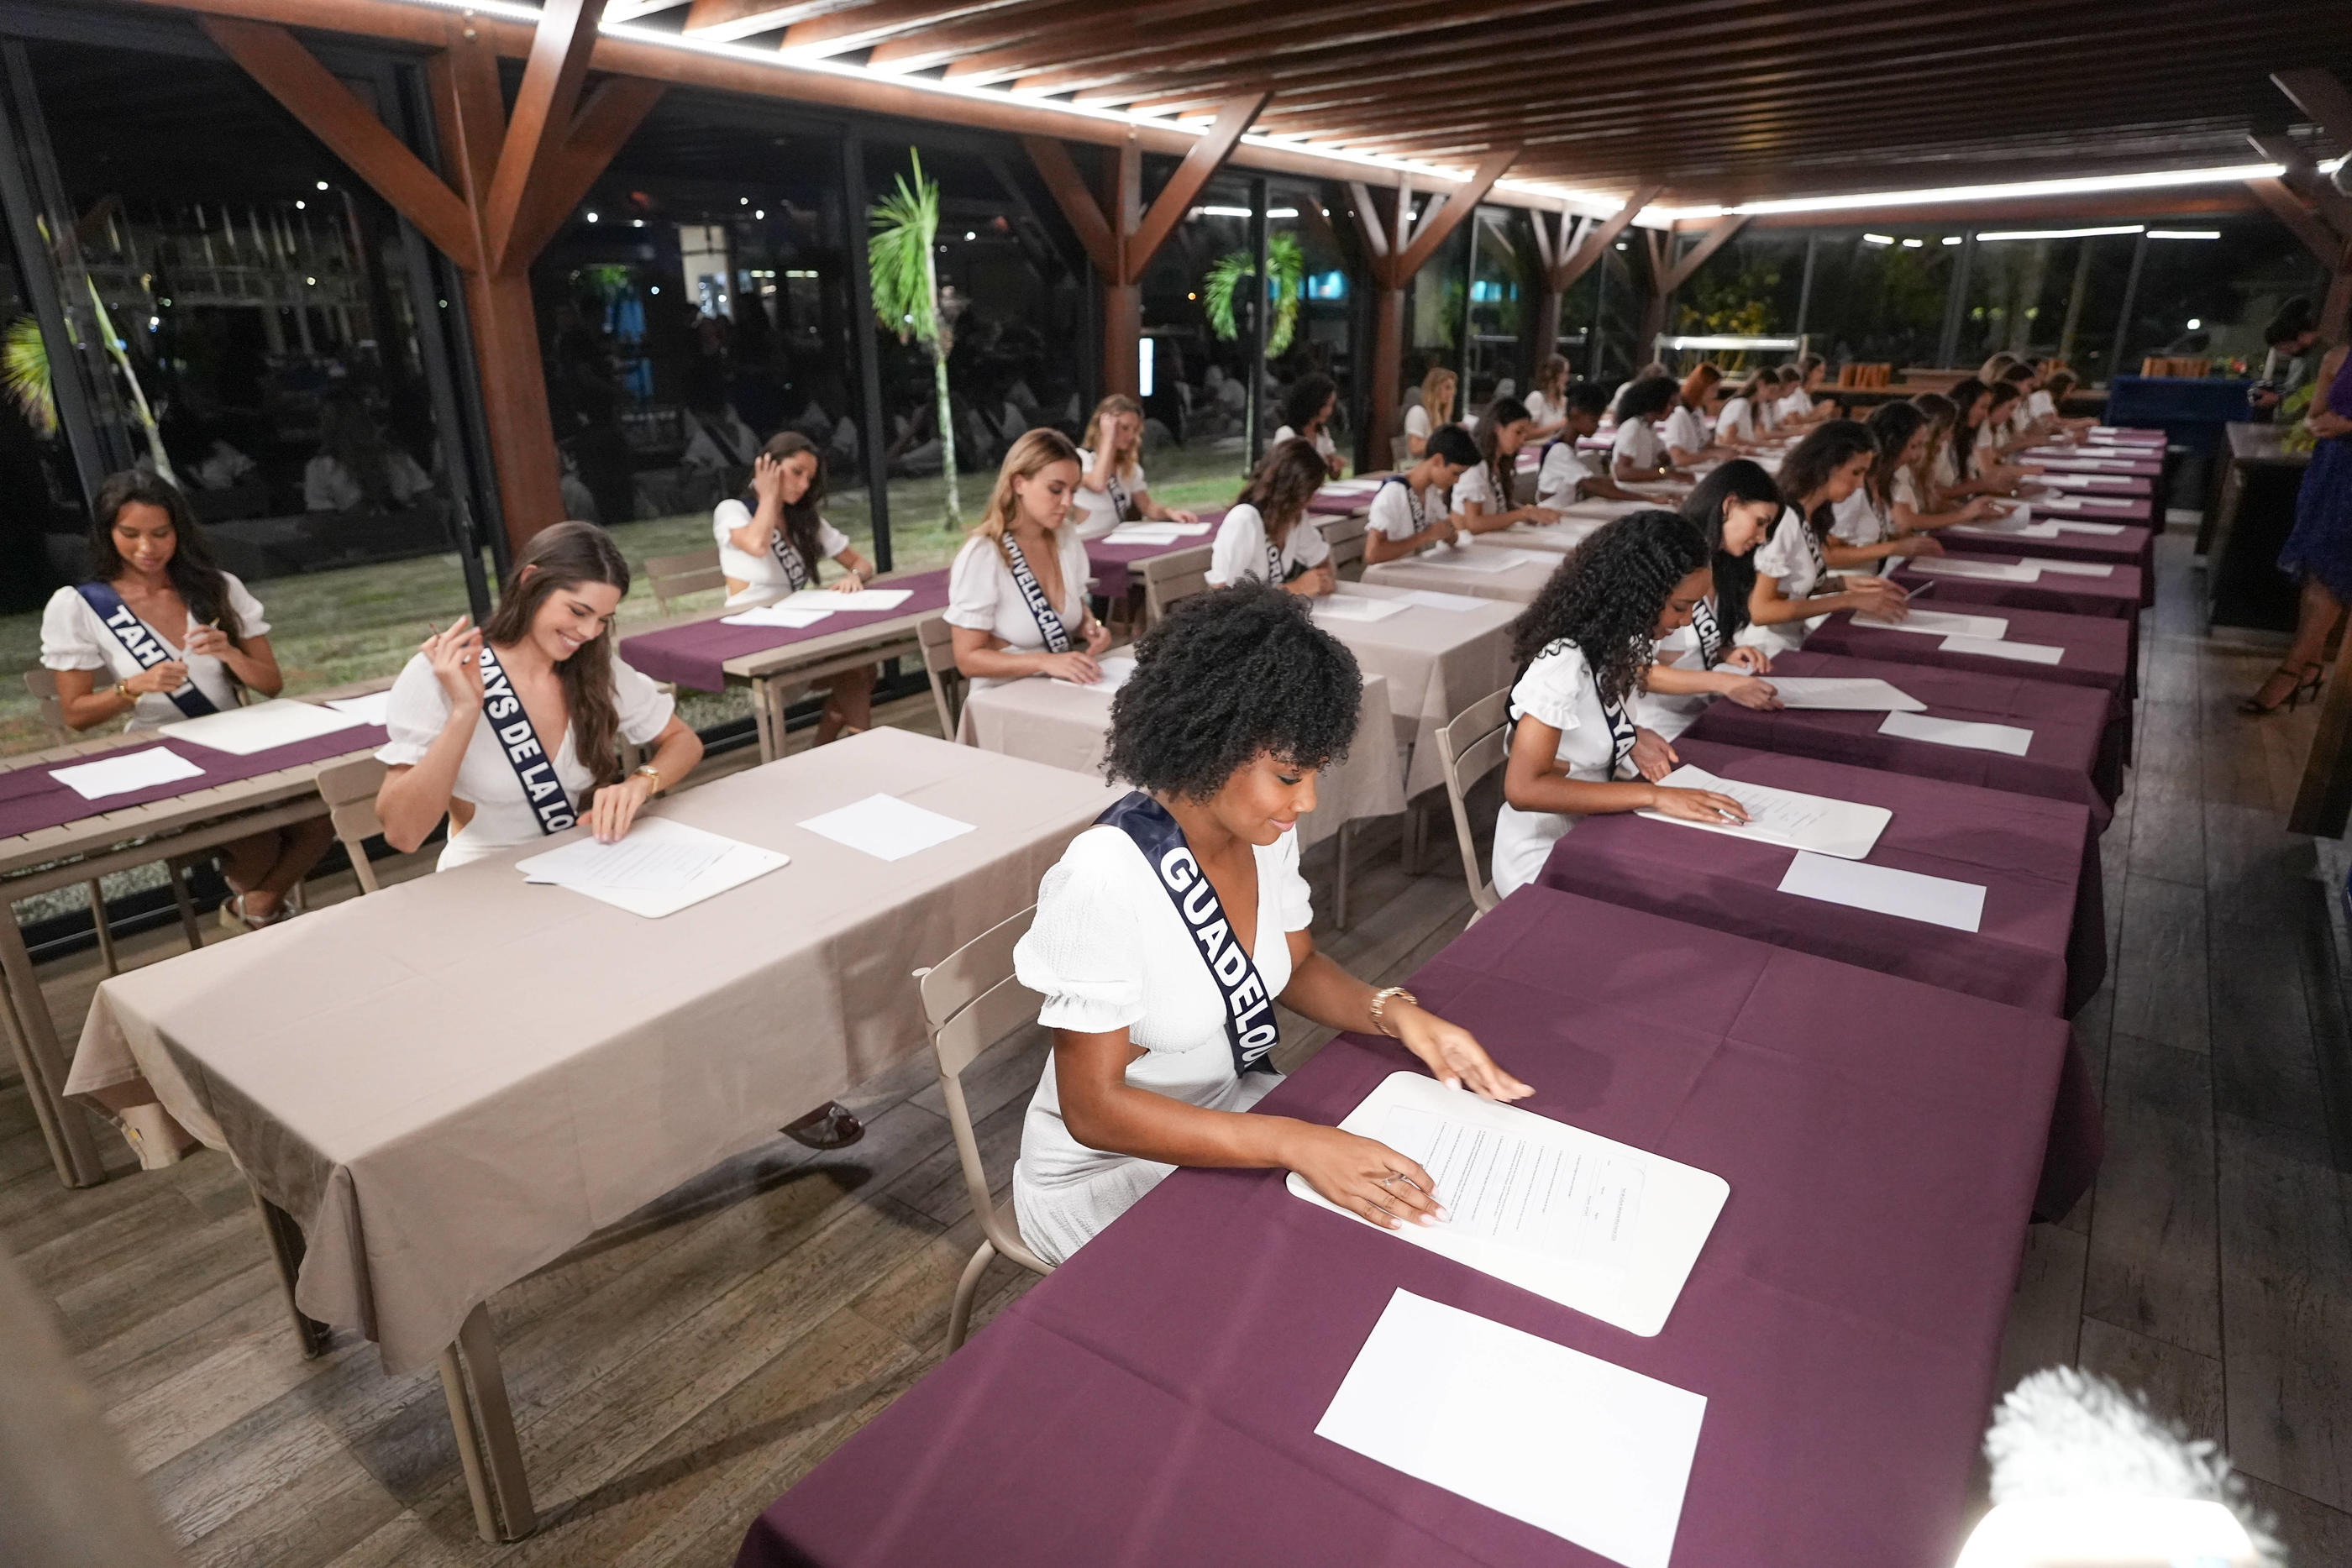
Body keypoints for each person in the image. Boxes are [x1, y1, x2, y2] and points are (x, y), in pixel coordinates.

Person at [1009, 582, 1530, 1264]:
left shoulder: (1262, 833)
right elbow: (1094, 1110)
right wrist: (1294, 1141)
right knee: (1311, 1272)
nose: (1308, 801)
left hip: (1234, 1111)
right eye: (1289, 777)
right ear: (1211, 746)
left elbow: (1298, 966)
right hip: (1102, 1173)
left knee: (1403, 1223)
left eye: (1315, 773)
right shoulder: (1105, 876)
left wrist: (1397, 1013)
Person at [43, 471, 335, 930]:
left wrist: (230, 654)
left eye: (161, 533)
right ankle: (267, 919)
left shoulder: (217, 587)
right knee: (257, 838)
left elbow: (271, 684)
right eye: (131, 534)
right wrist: (131, 688)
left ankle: (255, 910)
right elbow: (75, 715)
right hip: (158, 757)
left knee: (325, 806)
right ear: (107, 534)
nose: (147, 548)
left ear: (179, 530)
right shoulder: (80, 604)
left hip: (238, 744)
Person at [375, 519, 703, 873]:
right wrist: (465, 710)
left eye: (603, 620)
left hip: (575, 865)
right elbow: (403, 834)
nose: (589, 633)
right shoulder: (443, 673)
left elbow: (683, 740)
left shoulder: (593, 668)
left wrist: (641, 783)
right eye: (578, 612)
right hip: (481, 880)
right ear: (531, 581)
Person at [1491, 511, 1754, 898]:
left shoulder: (1621, 640)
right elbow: (1524, 788)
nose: (1685, 622)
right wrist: (1653, 795)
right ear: (1637, 592)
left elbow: (1591, 722)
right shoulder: (1564, 661)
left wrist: (1631, 736)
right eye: (1679, 607)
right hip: (1545, 853)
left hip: (1595, 826)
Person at [714, 431, 879, 742]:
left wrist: (854, 576)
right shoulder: (732, 510)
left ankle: (826, 748)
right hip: (753, 631)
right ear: (768, 467)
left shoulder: (804, 519)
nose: (803, 485)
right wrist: (767, 497)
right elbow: (758, 544)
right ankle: (859, 749)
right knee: (857, 671)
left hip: (798, 626)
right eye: (796, 473)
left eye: (809, 478)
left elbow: (862, 563)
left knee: (863, 667)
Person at [945, 428, 1113, 690]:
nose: (1067, 502)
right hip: (1002, 699)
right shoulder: (984, 553)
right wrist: (1043, 662)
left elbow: (1073, 609)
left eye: (1073, 490)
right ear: (1019, 483)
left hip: (1058, 688)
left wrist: (1090, 625)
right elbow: (967, 659)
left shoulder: (1066, 538)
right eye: (1056, 490)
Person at [1633, 462, 1787, 738]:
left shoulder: (1725, 566)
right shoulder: (1663, 562)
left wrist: (1725, 652)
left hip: (1708, 708)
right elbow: (1638, 671)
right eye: (1760, 522)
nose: (1763, 538)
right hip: (1661, 726)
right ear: (1729, 506)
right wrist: (1723, 682)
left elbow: (1696, 646)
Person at [1744, 420, 1910, 655]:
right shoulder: (1786, 518)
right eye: (1855, 472)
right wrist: (1847, 599)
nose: (1860, 484)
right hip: (1762, 648)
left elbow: (1791, 585)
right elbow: (1760, 611)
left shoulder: (1813, 514)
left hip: (1789, 640)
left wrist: (1842, 583)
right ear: (1828, 466)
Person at [2249, 341, 2352, 715]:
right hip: (2332, 469)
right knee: (2316, 573)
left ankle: (2292, 670)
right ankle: (2309, 666)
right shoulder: (2337, 357)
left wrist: (2348, 423)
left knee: (2333, 576)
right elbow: (2314, 414)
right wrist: (2320, 424)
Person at [1825, 402, 1951, 568]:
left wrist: (1904, 542)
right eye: (1914, 446)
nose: (1917, 455)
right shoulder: (1854, 490)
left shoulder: (1884, 481)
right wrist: (1894, 547)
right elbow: (1827, 555)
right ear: (1892, 443)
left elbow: (1865, 542)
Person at [1205, 438, 1336, 595]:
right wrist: (1295, 589)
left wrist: (1323, 580)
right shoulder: (1244, 520)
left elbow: (1321, 561)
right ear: (1290, 491)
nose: (1310, 501)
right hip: (1245, 618)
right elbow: (1220, 598)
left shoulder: (1294, 517)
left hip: (1276, 615)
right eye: (1309, 493)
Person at [1071, 393, 1199, 540]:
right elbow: (1098, 483)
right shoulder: (1080, 458)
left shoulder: (1128, 467)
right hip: (1085, 541)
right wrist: (1108, 438)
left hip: (1112, 540)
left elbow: (1147, 507)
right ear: (1104, 426)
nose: (1131, 435)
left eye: (1135, 429)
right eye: (1125, 428)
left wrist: (1171, 513)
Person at [1362, 424, 1479, 564]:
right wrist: (1425, 536)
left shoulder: (1431, 492)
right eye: (1456, 473)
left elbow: (1450, 533)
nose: (1457, 481)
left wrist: (1448, 534)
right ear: (1437, 460)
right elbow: (1372, 554)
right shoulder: (1393, 492)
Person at [302, 392, 433, 513]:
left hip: (356, 536)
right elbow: (429, 503)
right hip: (407, 533)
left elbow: (323, 521)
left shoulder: (321, 468)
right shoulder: (398, 458)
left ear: (326, 427)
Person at [1449, 397, 1562, 532]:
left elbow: (1501, 506)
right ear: (1498, 428)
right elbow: (1473, 523)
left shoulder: (1499, 463)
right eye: (1518, 432)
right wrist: (1523, 514)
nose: (1522, 440)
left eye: (1525, 433)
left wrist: (1533, 512)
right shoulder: (1476, 466)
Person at [1534, 383, 1650, 506]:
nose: (1598, 425)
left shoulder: (1569, 446)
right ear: (1575, 414)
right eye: (1594, 420)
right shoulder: (1559, 451)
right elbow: (1594, 485)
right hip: (1549, 516)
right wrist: (1649, 499)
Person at [1609, 375, 1689, 485]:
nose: (1674, 409)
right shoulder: (1633, 427)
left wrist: (1665, 471)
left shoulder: (1649, 428)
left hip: (1642, 486)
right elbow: (1622, 473)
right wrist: (1664, 473)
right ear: (1657, 401)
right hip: (1628, 490)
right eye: (1671, 404)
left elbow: (1665, 462)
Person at [2254, 298, 2321, 416]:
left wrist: (2277, 399)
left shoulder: (2319, 357)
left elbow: (2321, 399)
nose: (2285, 352)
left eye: (2287, 347)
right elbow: (2296, 390)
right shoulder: (2301, 356)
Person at [1271, 372, 1345, 478]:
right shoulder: (1287, 434)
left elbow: (1333, 474)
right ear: (1312, 403)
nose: (1329, 411)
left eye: (1332, 405)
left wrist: (1336, 466)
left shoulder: (1322, 432)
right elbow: (1280, 473)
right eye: (1326, 405)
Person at [1661, 364, 1725, 466]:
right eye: (1713, 389)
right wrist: (1713, 454)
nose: (1715, 395)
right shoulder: (1678, 413)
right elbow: (1678, 458)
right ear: (1700, 387)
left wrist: (1734, 450)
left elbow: (1706, 444)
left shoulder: (1697, 410)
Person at [1402, 366, 1458, 459]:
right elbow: (1414, 448)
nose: (1451, 393)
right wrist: (1442, 440)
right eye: (1447, 388)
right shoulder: (1418, 412)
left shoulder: (1442, 415)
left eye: (1453, 389)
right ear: (1435, 388)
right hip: (1419, 467)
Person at [1522, 353, 1572, 439]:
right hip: (1537, 450)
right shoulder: (1537, 398)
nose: (1567, 378)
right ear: (1553, 375)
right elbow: (1527, 434)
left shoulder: (1563, 401)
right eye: (1564, 373)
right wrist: (1561, 424)